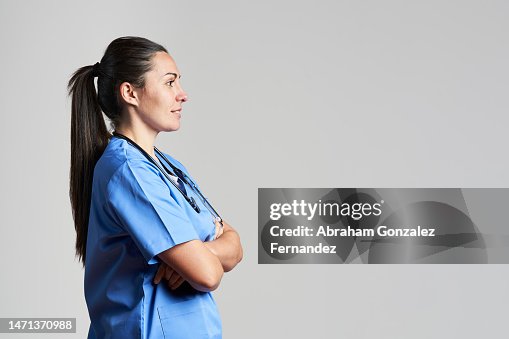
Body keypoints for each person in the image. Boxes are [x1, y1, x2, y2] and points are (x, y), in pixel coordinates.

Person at [67, 36, 243, 339]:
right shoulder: (129, 172)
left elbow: (235, 246)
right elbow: (209, 274)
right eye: (170, 83)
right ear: (130, 93)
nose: (183, 95)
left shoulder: (167, 166)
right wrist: (203, 257)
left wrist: (202, 251)